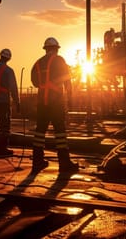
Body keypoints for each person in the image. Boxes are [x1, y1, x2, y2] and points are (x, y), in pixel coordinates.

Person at [30, 37, 79, 175]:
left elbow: (34, 82)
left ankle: (37, 161)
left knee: (40, 132)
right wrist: (70, 98)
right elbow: (67, 80)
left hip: (41, 103)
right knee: (60, 133)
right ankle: (64, 163)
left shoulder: (38, 63)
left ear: (46, 49)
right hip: (56, 102)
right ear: (56, 49)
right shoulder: (59, 60)